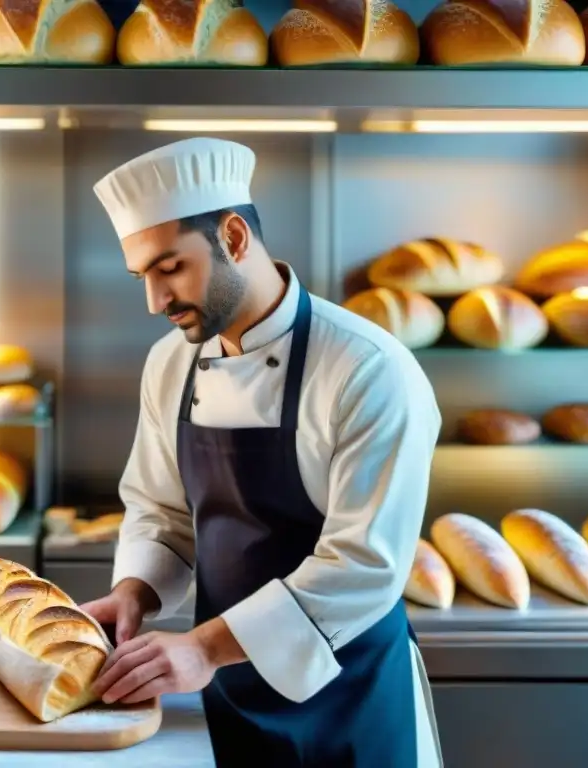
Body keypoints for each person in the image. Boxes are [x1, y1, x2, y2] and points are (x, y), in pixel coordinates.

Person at [82, 137, 444, 767]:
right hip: (227, 690)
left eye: (170, 269)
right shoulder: (171, 363)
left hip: (350, 696)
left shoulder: (369, 369)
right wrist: (134, 591)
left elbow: (362, 565)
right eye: (143, 277)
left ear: (234, 236)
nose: (155, 301)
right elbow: (160, 508)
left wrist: (202, 648)